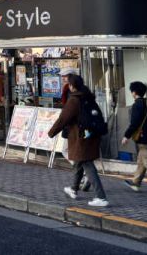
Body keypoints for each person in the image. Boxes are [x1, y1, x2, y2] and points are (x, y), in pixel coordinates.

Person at [48, 74, 108, 207]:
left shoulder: (74, 100)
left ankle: (101, 197)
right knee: (79, 162)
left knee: (86, 163)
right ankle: (73, 188)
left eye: (69, 84)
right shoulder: (88, 96)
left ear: (72, 86)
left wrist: (51, 133)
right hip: (92, 134)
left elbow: (63, 119)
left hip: (81, 137)